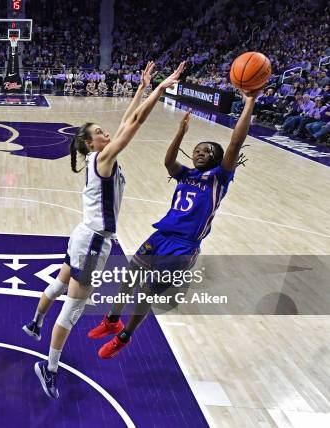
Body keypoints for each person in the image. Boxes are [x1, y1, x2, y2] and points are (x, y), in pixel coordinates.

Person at [23, 61, 186, 399]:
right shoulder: (103, 158)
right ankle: (48, 368)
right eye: (99, 132)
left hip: (83, 233)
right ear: (89, 142)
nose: (106, 132)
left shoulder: (97, 158)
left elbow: (128, 119)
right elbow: (136, 123)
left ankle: (35, 322)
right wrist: (160, 88)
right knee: (75, 307)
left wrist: (142, 87)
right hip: (94, 240)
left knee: (60, 281)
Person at [89, 88, 260, 359]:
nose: (199, 153)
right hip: (161, 236)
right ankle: (112, 320)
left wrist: (249, 102)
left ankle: (124, 336)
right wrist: (180, 133)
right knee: (129, 277)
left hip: (183, 247)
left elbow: (235, 144)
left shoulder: (219, 177)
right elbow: (168, 161)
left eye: (206, 151)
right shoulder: (186, 174)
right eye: (197, 150)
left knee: (146, 292)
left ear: (216, 158)